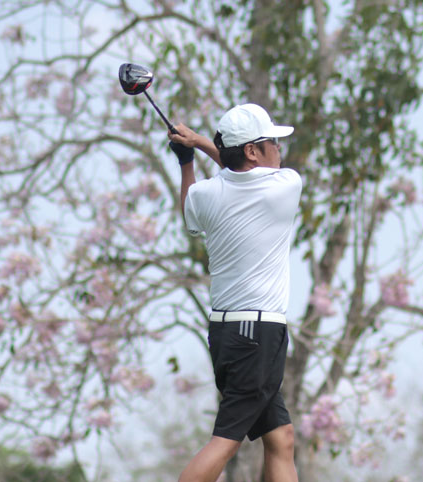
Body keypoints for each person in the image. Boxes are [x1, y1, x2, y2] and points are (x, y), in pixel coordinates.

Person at [167, 103, 301, 482]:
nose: (279, 148)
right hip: (257, 334)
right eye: (272, 141)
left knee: (281, 438)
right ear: (253, 151)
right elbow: (236, 169)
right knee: (225, 442)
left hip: (228, 334)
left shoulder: (204, 195)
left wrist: (186, 160)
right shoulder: (285, 185)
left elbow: (195, 206)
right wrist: (200, 143)